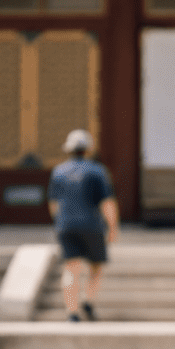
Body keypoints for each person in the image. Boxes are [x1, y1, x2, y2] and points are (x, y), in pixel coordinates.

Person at [47, 129, 119, 322]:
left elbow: (54, 204)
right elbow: (107, 202)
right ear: (88, 149)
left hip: (66, 225)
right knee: (96, 266)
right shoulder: (97, 171)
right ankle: (88, 300)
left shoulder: (58, 171)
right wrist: (113, 227)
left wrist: (60, 222)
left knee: (71, 268)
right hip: (92, 225)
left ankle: (72, 312)